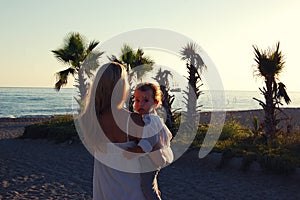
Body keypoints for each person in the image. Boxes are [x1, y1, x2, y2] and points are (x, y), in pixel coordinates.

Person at [76, 62, 153, 200]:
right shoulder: (134, 120)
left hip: (104, 192)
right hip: (133, 192)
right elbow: (152, 155)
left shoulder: (89, 121)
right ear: (121, 87)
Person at [126, 82, 174, 200]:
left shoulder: (150, 119)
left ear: (156, 103)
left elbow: (151, 138)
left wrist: (136, 151)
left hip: (152, 158)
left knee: (147, 187)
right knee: (150, 184)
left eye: (146, 101)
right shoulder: (146, 118)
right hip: (151, 157)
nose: (140, 104)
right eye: (137, 100)